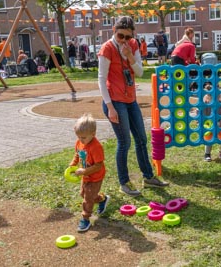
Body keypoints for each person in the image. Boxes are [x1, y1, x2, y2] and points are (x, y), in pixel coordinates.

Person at [98, 16, 169, 197]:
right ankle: (124, 182)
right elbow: (100, 79)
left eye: (128, 37)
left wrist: (129, 55)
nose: (124, 40)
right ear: (114, 30)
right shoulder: (107, 48)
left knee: (141, 139)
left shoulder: (133, 46)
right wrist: (110, 107)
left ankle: (148, 177)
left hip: (130, 100)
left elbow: (140, 72)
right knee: (124, 142)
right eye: (121, 36)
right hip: (115, 101)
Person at [69, 113, 110, 232]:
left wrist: (84, 171)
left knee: (87, 199)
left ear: (93, 134)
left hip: (95, 177)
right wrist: (72, 164)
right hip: (85, 175)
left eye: (83, 137)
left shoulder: (96, 147)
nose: (80, 140)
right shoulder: (80, 142)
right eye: (78, 137)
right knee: (84, 194)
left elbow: (99, 165)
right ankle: (102, 199)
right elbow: (77, 154)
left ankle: (85, 218)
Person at [203, 91, 221, 162]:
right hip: (209, 126)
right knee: (209, 139)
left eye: (217, 97)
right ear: (207, 97)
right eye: (211, 97)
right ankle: (207, 154)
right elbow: (201, 116)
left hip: (220, 125)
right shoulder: (204, 103)